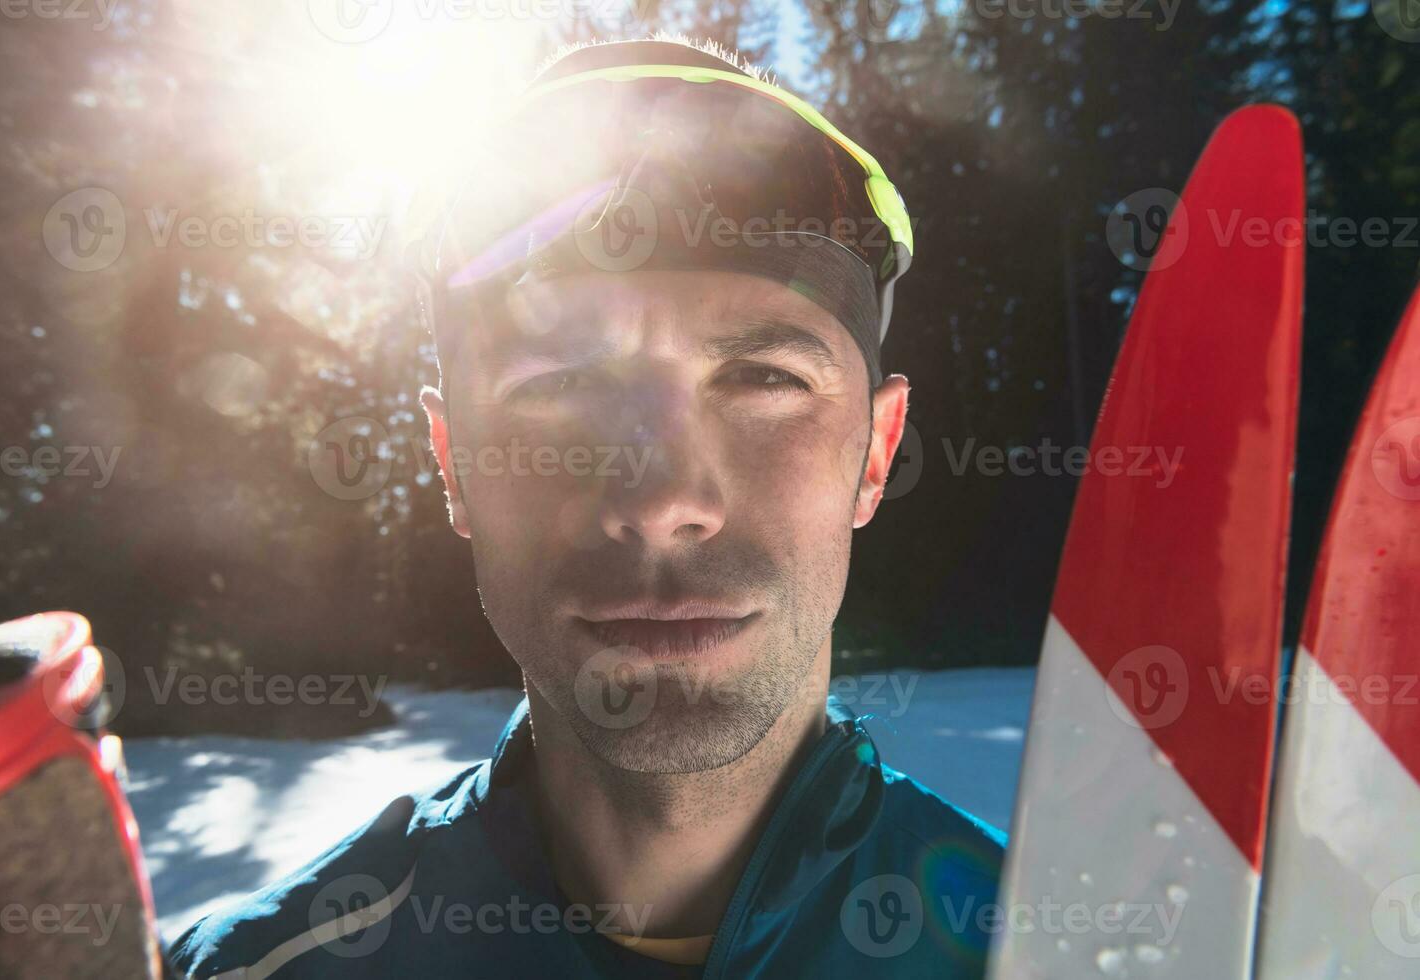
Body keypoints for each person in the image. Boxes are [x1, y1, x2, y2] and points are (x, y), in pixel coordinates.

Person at [168, 34, 1004, 979]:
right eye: (557, 382)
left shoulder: (1061, 955)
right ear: (454, 465)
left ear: (876, 453)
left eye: (764, 377)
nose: (663, 500)